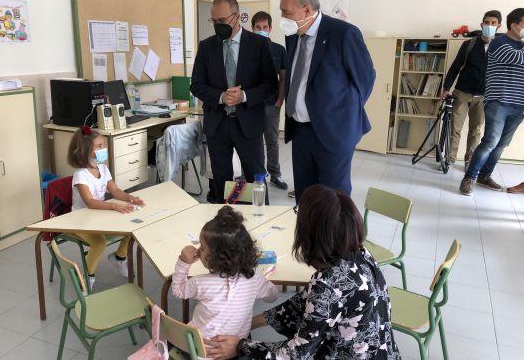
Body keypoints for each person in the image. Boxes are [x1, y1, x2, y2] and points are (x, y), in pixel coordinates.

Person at [205, 184, 400, 359]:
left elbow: (297, 353)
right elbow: (308, 302)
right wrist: (252, 321)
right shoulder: (361, 254)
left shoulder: (328, 283)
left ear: (310, 230)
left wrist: (241, 346)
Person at [280, 0, 375, 201]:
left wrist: (343, 113)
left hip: (334, 132)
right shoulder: (293, 34)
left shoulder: (344, 33)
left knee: (334, 199)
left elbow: (366, 79)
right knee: (305, 196)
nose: (282, 17)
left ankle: (336, 237)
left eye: (286, 11)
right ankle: (307, 235)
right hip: (301, 130)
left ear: (306, 10)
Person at [191, 0, 278, 203]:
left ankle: (261, 222)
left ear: (237, 17)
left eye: (222, 21)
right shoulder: (206, 46)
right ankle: (223, 229)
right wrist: (221, 96)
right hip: (217, 125)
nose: (218, 25)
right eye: (214, 21)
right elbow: (196, 85)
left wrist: (244, 96)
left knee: (255, 178)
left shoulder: (259, 44)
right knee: (220, 182)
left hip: (248, 123)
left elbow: (270, 85)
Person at [171, 205, 278, 342]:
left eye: (202, 248)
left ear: (218, 258)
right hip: (237, 347)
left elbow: (178, 291)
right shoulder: (254, 277)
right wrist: (262, 283)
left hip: (199, 350)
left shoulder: (200, 283)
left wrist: (183, 262)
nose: (198, 251)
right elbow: (273, 296)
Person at [67, 126, 145, 289]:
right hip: (80, 221)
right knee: (99, 243)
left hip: (99, 216)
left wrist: (129, 198)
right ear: (85, 150)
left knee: (133, 227)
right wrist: (114, 206)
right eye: (99, 146)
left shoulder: (102, 168)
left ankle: (119, 257)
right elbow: (89, 202)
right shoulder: (80, 174)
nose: (104, 149)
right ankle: (88, 276)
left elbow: (115, 190)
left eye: (103, 145)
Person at [460, 8, 524, 196]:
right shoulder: (498, 42)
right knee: (489, 142)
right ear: (514, 25)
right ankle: (469, 178)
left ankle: (484, 176)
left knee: (501, 145)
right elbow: (517, 58)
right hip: (499, 101)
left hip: (519, 105)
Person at [441, 10, 502, 171]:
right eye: (487, 22)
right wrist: (446, 88)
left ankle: (470, 160)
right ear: (482, 24)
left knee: (475, 130)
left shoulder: (501, 47)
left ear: (499, 26)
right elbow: (455, 67)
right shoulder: (469, 44)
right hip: (462, 92)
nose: (490, 25)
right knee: (455, 128)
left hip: (484, 96)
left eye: (493, 23)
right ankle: (450, 158)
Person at [251, 11, 288, 190]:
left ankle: (275, 174)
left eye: (265, 27)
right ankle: (254, 174)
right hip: (251, 105)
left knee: (272, 141)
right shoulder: (247, 49)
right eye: (258, 27)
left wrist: (280, 100)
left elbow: (283, 77)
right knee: (252, 140)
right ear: (252, 28)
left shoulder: (279, 50)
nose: (262, 30)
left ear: (271, 28)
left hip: (272, 103)